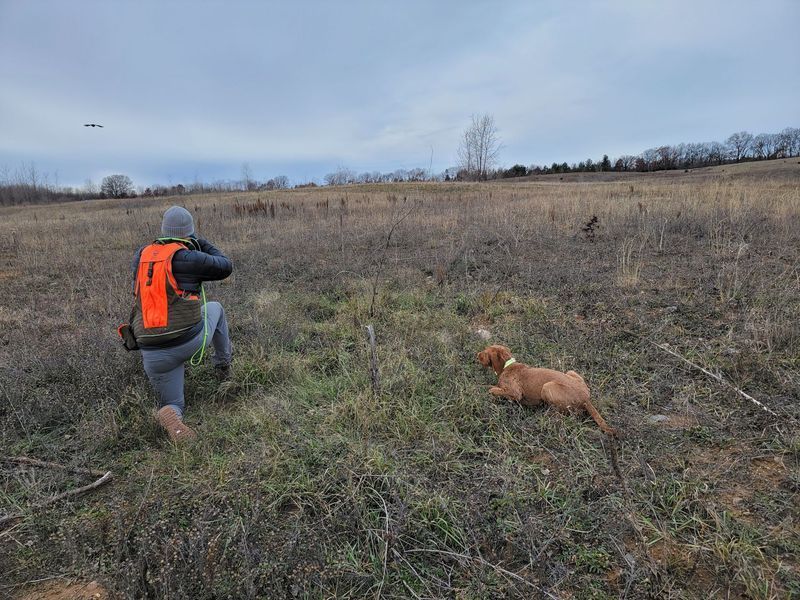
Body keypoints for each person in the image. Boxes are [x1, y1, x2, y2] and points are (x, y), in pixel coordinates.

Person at [129, 206, 233, 442]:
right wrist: (198, 241)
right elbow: (225, 265)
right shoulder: (187, 257)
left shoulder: (141, 256)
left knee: (173, 403)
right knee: (215, 308)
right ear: (188, 233)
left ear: (164, 230)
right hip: (188, 341)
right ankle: (222, 366)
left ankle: (171, 416)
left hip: (152, 351)